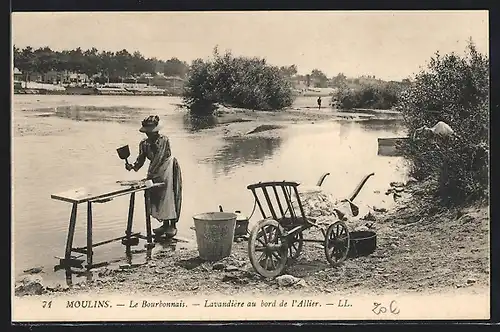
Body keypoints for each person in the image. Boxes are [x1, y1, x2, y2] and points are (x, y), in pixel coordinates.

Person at [126, 115, 182, 238]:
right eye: (147, 132)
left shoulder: (164, 140)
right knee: (157, 196)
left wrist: (149, 176)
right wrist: (133, 166)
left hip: (168, 168)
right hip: (154, 171)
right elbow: (141, 160)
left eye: (151, 132)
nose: (149, 135)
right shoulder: (144, 143)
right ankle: (164, 223)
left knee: (169, 196)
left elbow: (160, 158)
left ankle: (172, 225)